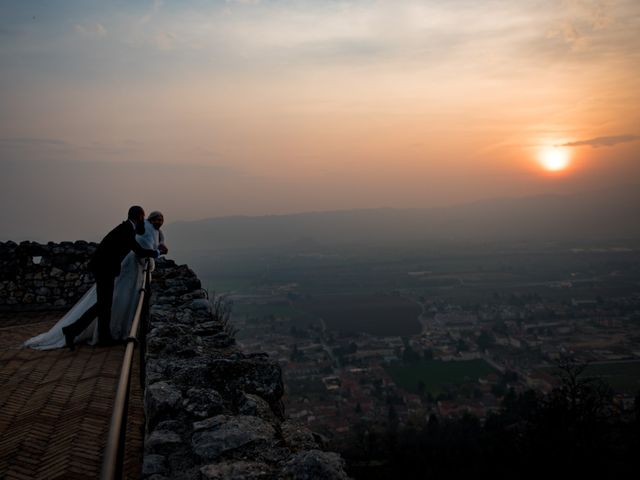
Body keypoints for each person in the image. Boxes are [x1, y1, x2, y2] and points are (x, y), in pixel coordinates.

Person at [24, 206, 168, 350]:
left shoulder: (126, 228)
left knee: (104, 305)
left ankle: (101, 337)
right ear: (140, 217)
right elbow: (139, 251)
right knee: (103, 304)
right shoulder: (127, 230)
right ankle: (72, 331)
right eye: (143, 217)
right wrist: (157, 252)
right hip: (104, 269)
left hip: (104, 268)